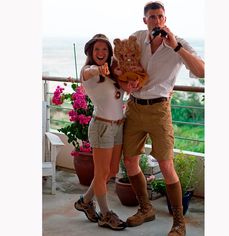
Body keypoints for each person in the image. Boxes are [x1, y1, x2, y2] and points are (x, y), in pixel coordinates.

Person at [118, 2, 205, 236]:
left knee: (166, 165)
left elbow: (202, 71)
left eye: (160, 16)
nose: (157, 21)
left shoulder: (179, 43)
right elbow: (119, 63)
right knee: (130, 162)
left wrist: (175, 46)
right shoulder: (136, 38)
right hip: (134, 107)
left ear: (165, 19)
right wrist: (126, 82)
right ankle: (146, 209)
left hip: (159, 110)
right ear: (144, 20)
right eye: (152, 17)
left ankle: (179, 223)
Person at [73, 34, 127, 231]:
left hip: (118, 126)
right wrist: (98, 68)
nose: (101, 53)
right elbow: (90, 71)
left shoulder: (114, 73)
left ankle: (85, 201)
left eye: (104, 49)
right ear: (90, 52)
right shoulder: (88, 71)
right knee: (101, 172)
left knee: (111, 172)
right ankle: (105, 215)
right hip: (102, 127)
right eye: (97, 49)